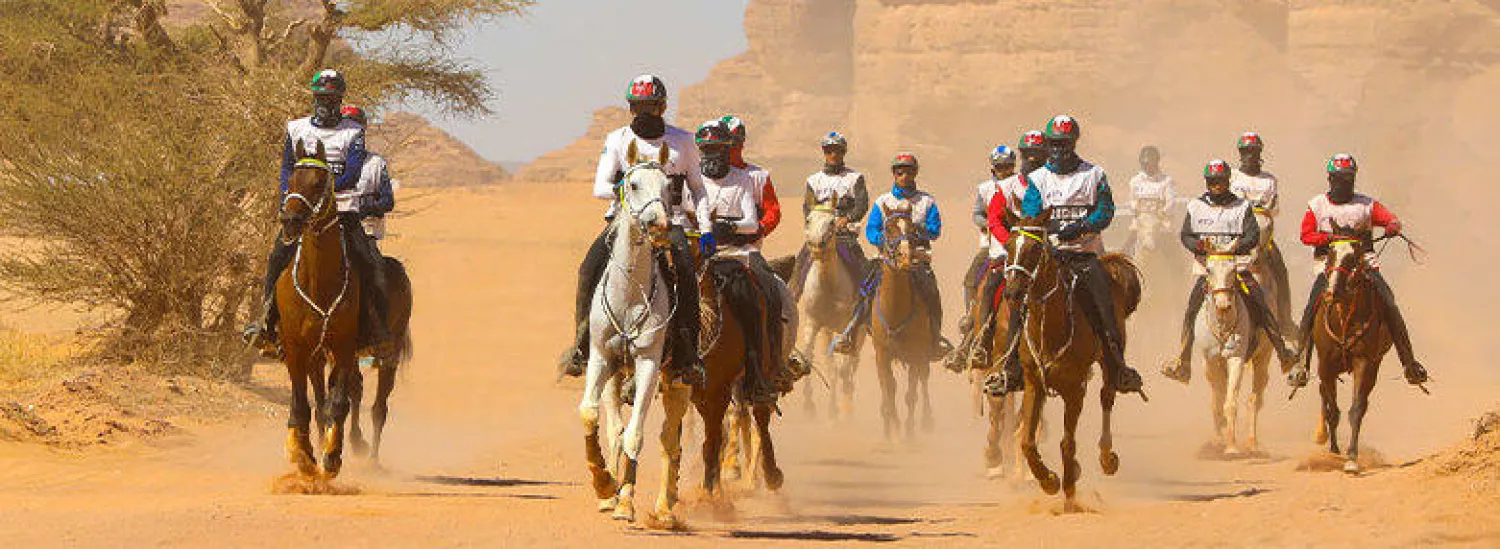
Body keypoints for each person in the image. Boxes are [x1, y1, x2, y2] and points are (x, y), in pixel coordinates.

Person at [989, 115, 1144, 397]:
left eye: (1065, 143)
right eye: (1055, 144)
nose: (1060, 149)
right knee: (1017, 300)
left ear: (1074, 143)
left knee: (1105, 306)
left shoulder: (1094, 174)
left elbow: (1106, 210)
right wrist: (1049, 227)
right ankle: (1011, 370)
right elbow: (1032, 213)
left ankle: (1118, 367)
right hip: (1050, 257)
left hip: (1085, 255)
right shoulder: (1038, 179)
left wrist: (1084, 225)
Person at [565, 74, 704, 383]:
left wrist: (705, 228)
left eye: (651, 106)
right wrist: (631, 191)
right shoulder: (617, 139)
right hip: (623, 221)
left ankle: (688, 354)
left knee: (684, 272)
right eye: (637, 107)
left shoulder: (683, 141)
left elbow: (698, 187)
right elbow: (601, 186)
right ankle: (582, 346)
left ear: (663, 106)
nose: (644, 113)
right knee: (589, 267)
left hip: (671, 223)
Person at [245, 69, 390, 360]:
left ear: (340, 99)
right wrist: (293, 195)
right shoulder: (295, 128)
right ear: (314, 97)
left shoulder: (353, 132)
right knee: (277, 257)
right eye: (322, 97)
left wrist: (323, 187)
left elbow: (353, 170)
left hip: (342, 209)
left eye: (333, 98)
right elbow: (288, 166)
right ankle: (265, 323)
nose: (327, 103)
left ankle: (375, 330)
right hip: (301, 211)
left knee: (370, 261)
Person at [1286, 154, 1428, 387]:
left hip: (1364, 264)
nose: (1343, 183)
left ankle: (1409, 364)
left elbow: (1390, 219)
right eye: (1339, 179)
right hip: (1329, 267)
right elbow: (1306, 235)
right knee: (1311, 308)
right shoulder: (1317, 205)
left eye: (1348, 179)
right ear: (1330, 179)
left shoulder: (1367, 204)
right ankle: (1301, 364)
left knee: (1389, 304)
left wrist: (1393, 225)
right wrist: (1330, 238)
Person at [1161, 160, 1298, 383]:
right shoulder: (1196, 206)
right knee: (1191, 309)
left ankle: (1283, 353)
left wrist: (1236, 247)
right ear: (1207, 182)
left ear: (1228, 182)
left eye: (1221, 181)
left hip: (1237, 270)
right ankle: (1182, 361)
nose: (1217, 185)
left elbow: (1253, 235)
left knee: (1262, 304)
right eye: (1213, 181)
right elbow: (1185, 234)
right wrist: (1198, 246)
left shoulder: (1242, 207)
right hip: (1209, 273)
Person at [692, 119, 799, 402]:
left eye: (734, 142)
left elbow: (772, 211)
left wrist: (753, 230)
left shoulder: (755, 176)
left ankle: (774, 363)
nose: (733, 148)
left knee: (771, 294)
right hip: (705, 251)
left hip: (746, 251)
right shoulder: (696, 178)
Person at [830, 153, 948, 358]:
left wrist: (915, 232)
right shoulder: (883, 200)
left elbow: (935, 230)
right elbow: (871, 230)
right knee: (864, 288)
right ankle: (849, 333)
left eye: (909, 171)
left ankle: (935, 338)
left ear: (915, 173)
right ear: (894, 175)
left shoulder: (927, 201)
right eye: (900, 172)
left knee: (931, 292)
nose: (904, 175)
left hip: (917, 258)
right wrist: (884, 240)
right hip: (886, 258)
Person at [789, 132, 870, 298]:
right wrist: (816, 225)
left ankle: (866, 303)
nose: (833, 155)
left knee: (861, 266)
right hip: (820, 235)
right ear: (824, 153)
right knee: (800, 263)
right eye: (829, 151)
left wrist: (847, 219)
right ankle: (792, 299)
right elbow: (808, 208)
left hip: (844, 235)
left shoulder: (855, 178)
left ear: (843, 152)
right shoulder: (813, 180)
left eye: (838, 151)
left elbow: (862, 205)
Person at [1230, 132, 1292, 329]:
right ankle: (1189, 338)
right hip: (1237, 238)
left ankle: (1285, 320)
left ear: (1260, 153)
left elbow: (1274, 209)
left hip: (1265, 238)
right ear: (1240, 154)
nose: (1250, 156)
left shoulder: (1270, 180)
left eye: (1254, 151)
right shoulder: (1232, 177)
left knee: (1281, 273)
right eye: (1246, 152)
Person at [960, 145, 1017, 334]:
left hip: (1017, 243)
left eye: (1008, 166)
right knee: (971, 278)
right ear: (993, 168)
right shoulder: (985, 189)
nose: (1004, 170)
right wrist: (988, 224)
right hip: (991, 245)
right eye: (1000, 167)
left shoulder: (1022, 185)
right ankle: (970, 317)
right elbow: (977, 214)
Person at [1124, 145, 1177, 253]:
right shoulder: (1135, 181)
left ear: (1156, 162)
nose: (1147, 167)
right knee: (1128, 244)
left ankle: (1176, 266)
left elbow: (1171, 202)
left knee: (1170, 243)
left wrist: (1163, 212)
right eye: (1145, 164)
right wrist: (1137, 210)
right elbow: (1132, 201)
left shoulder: (1166, 181)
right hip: (1141, 219)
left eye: (1150, 164)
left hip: (1161, 219)